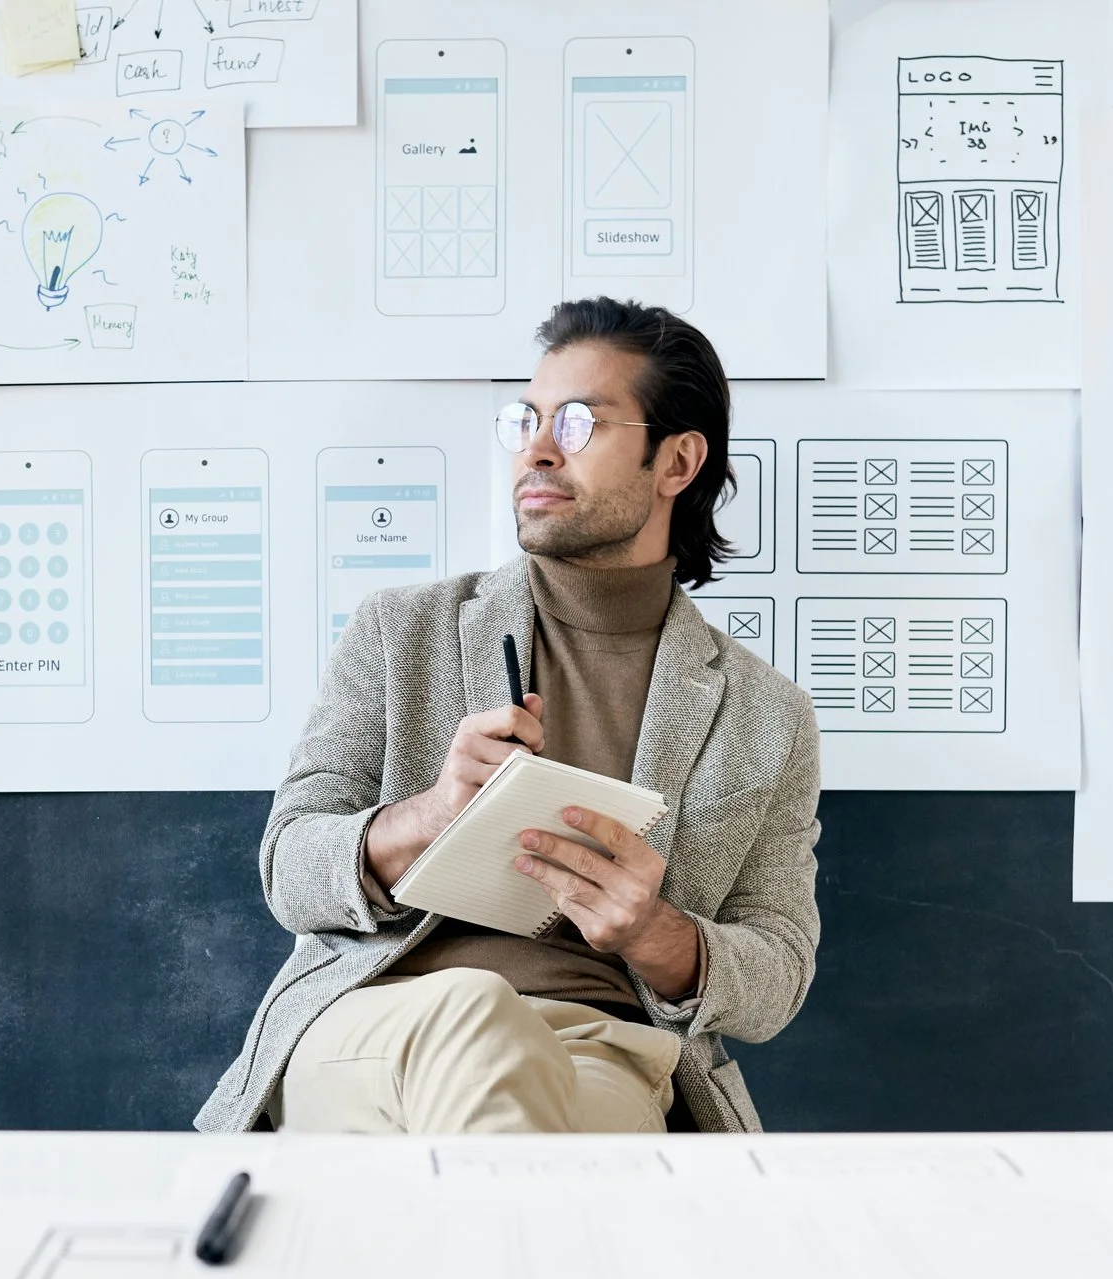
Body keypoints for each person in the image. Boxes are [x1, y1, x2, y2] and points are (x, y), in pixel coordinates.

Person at [195, 298, 821, 1136]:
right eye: (526, 419)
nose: (535, 447)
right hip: (384, 1022)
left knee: (549, 1128)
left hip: (604, 1047)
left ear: (676, 462)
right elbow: (288, 868)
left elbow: (777, 967)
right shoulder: (400, 631)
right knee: (478, 1017)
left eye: (575, 422)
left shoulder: (764, 713)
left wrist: (654, 932)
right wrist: (430, 817)